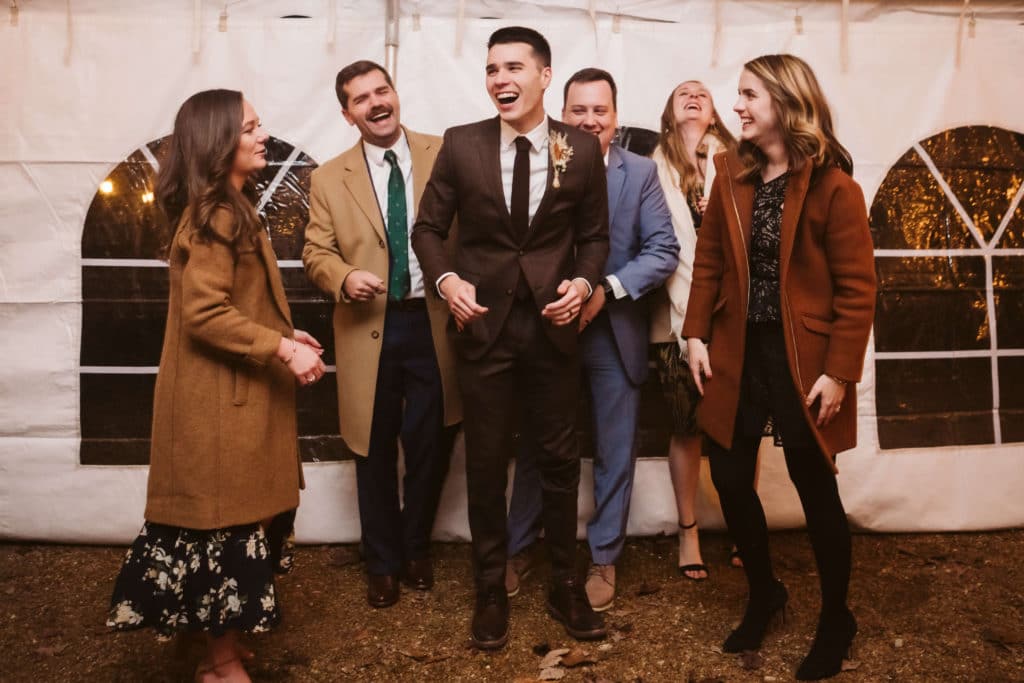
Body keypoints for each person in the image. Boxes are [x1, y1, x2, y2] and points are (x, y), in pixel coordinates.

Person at [107, 89, 325, 682]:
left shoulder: (229, 204)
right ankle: (220, 663)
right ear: (219, 140)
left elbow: (233, 301)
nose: (263, 134)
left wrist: (287, 329)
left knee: (230, 527)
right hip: (218, 408)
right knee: (223, 533)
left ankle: (214, 646)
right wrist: (279, 347)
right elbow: (204, 314)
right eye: (251, 127)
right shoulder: (218, 213)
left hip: (229, 399)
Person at [412, 27, 610, 649]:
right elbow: (428, 228)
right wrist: (446, 280)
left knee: (558, 462)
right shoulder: (461, 144)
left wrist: (582, 282)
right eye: (492, 68)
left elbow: (596, 237)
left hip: (552, 327)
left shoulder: (577, 147)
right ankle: (490, 589)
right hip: (484, 327)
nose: (501, 78)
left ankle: (563, 584)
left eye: (514, 67)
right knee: (487, 462)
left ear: (545, 76)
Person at [682, 54, 876, 680]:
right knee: (732, 479)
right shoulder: (727, 173)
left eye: (747, 95)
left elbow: (857, 288)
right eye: (737, 95)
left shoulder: (835, 186)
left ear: (786, 103)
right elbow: (709, 260)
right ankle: (766, 592)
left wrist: (841, 372)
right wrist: (694, 333)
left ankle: (837, 618)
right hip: (738, 349)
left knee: (815, 488)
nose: (734, 106)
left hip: (807, 361)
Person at [506, 68, 678, 611]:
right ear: (561, 113)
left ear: (615, 118)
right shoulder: (538, 164)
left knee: (614, 450)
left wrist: (606, 289)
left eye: (599, 111)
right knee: (538, 444)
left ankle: (603, 557)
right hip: (547, 328)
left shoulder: (642, 172)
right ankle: (518, 547)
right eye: (578, 110)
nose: (589, 120)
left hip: (613, 331)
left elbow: (662, 249)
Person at [303, 60, 461, 610]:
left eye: (382, 90)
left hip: (435, 323)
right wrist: (344, 277)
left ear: (396, 93)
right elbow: (315, 251)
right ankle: (383, 562)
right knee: (371, 450)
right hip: (367, 327)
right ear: (347, 114)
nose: (376, 103)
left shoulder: (445, 153)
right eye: (361, 98)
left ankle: (416, 547)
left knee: (431, 443)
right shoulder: (327, 177)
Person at [647, 80, 740, 580]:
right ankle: (689, 530)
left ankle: (747, 525)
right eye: (682, 91)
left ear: (715, 113)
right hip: (672, 318)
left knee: (739, 427)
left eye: (702, 92)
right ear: (669, 110)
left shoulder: (738, 162)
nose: (692, 95)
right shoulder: (648, 167)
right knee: (686, 428)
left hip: (734, 317)